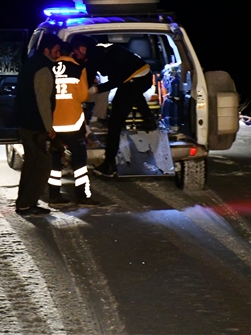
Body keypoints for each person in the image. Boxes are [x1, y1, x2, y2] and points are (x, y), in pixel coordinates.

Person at [70, 34, 157, 177]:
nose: (76, 55)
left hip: (135, 78)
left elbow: (116, 81)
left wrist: (94, 89)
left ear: (82, 48)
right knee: (133, 94)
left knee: (115, 123)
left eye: (76, 52)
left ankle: (108, 165)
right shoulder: (99, 50)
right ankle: (149, 121)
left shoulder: (96, 56)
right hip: (143, 74)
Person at [13, 33, 62, 215]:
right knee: (43, 166)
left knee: (31, 164)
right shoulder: (43, 69)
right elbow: (43, 102)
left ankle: (24, 203)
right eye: (56, 51)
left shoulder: (31, 64)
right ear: (47, 50)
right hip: (36, 126)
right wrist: (49, 127)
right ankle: (27, 203)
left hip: (25, 122)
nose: (59, 54)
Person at [47, 43, 100, 207]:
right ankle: (82, 196)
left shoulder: (49, 67)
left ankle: (54, 196)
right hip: (73, 123)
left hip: (54, 123)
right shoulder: (78, 68)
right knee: (79, 161)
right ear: (71, 53)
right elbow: (84, 96)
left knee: (55, 161)